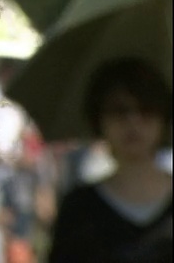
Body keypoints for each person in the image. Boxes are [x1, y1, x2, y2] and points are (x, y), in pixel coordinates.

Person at [47, 57, 172, 263]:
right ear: (99, 120)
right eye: (119, 111)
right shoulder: (79, 209)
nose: (133, 122)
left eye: (146, 109)